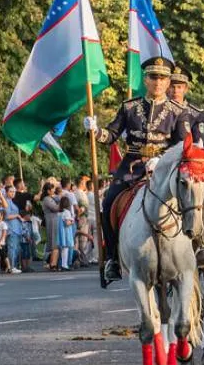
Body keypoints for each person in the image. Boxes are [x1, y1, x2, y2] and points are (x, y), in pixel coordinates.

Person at [84, 56, 196, 285]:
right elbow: (111, 135)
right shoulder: (129, 107)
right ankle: (113, 259)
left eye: (163, 78)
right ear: (146, 80)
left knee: (191, 197)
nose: (158, 82)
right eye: (154, 77)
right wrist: (95, 131)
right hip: (132, 167)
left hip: (163, 170)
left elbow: (183, 146)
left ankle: (197, 247)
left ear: (168, 82)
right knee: (108, 203)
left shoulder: (178, 111)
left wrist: (162, 160)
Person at [169, 63, 204, 142]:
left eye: (179, 87)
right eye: (172, 86)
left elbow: (199, 142)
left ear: (186, 89)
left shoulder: (196, 114)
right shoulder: (159, 107)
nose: (175, 91)